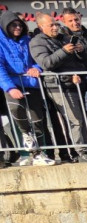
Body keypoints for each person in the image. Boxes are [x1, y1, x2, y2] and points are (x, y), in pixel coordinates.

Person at [31, 10, 87, 162]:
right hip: (59, 86)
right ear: (41, 27)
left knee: (84, 119)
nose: (55, 27)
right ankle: (83, 152)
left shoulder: (64, 38)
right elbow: (46, 63)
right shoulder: (37, 42)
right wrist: (64, 51)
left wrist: (81, 52)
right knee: (76, 120)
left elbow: (79, 62)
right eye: (51, 25)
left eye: (55, 24)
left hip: (77, 83)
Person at [2, 12, 58, 166]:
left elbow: (37, 59)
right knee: (18, 114)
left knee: (37, 119)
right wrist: (10, 87)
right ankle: (27, 149)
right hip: (12, 84)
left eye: (20, 24)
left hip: (31, 83)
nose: (18, 27)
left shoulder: (28, 40)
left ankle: (40, 154)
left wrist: (36, 68)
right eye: (14, 25)